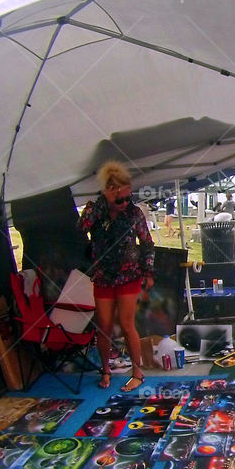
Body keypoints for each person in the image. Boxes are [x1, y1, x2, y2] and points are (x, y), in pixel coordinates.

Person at [80, 161, 155, 393]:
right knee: (103, 326)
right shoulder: (95, 209)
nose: (123, 204)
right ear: (108, 192)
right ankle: (105, 370)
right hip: (103, 275)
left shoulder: (134, 213)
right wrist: (104, 203)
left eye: (126, 197)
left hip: (128, 276)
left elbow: (147, 244)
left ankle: (137, 372)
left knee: (126, 324)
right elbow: (81, 227)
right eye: (118, 199)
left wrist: (148, 271)